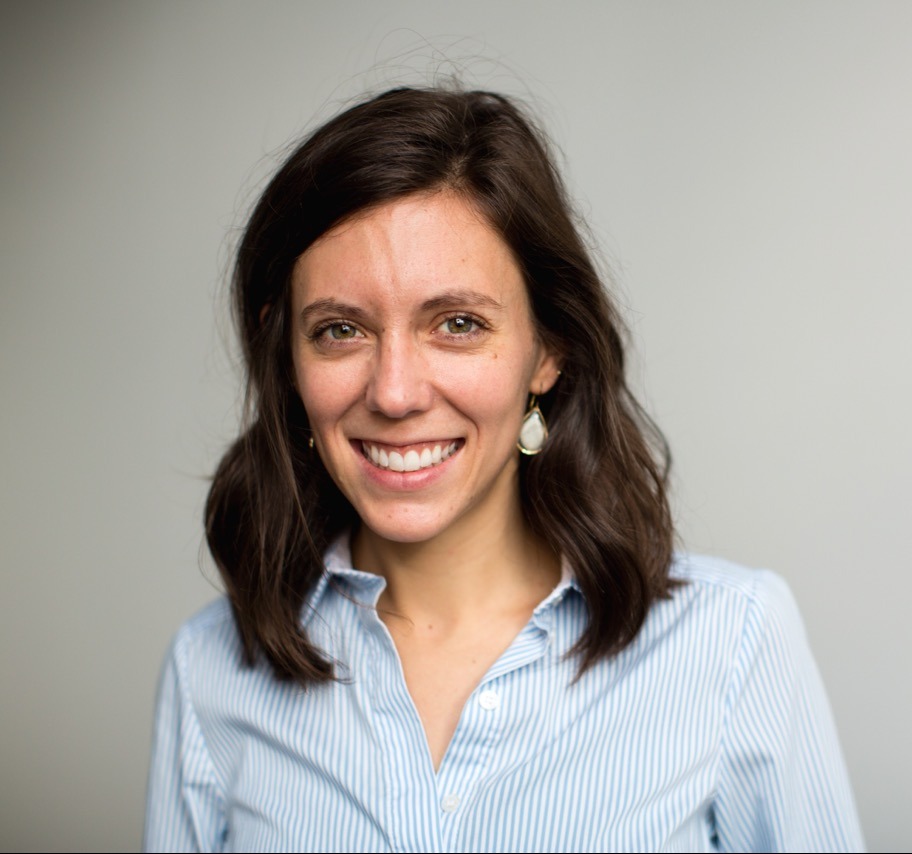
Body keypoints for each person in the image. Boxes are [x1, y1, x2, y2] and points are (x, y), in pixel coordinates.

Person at [143, 86, 864, 853]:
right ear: (286, 357)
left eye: (457, 324)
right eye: (340, 330)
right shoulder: (210, 669)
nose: (394, 392)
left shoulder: (733, 642)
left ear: (547, 350)